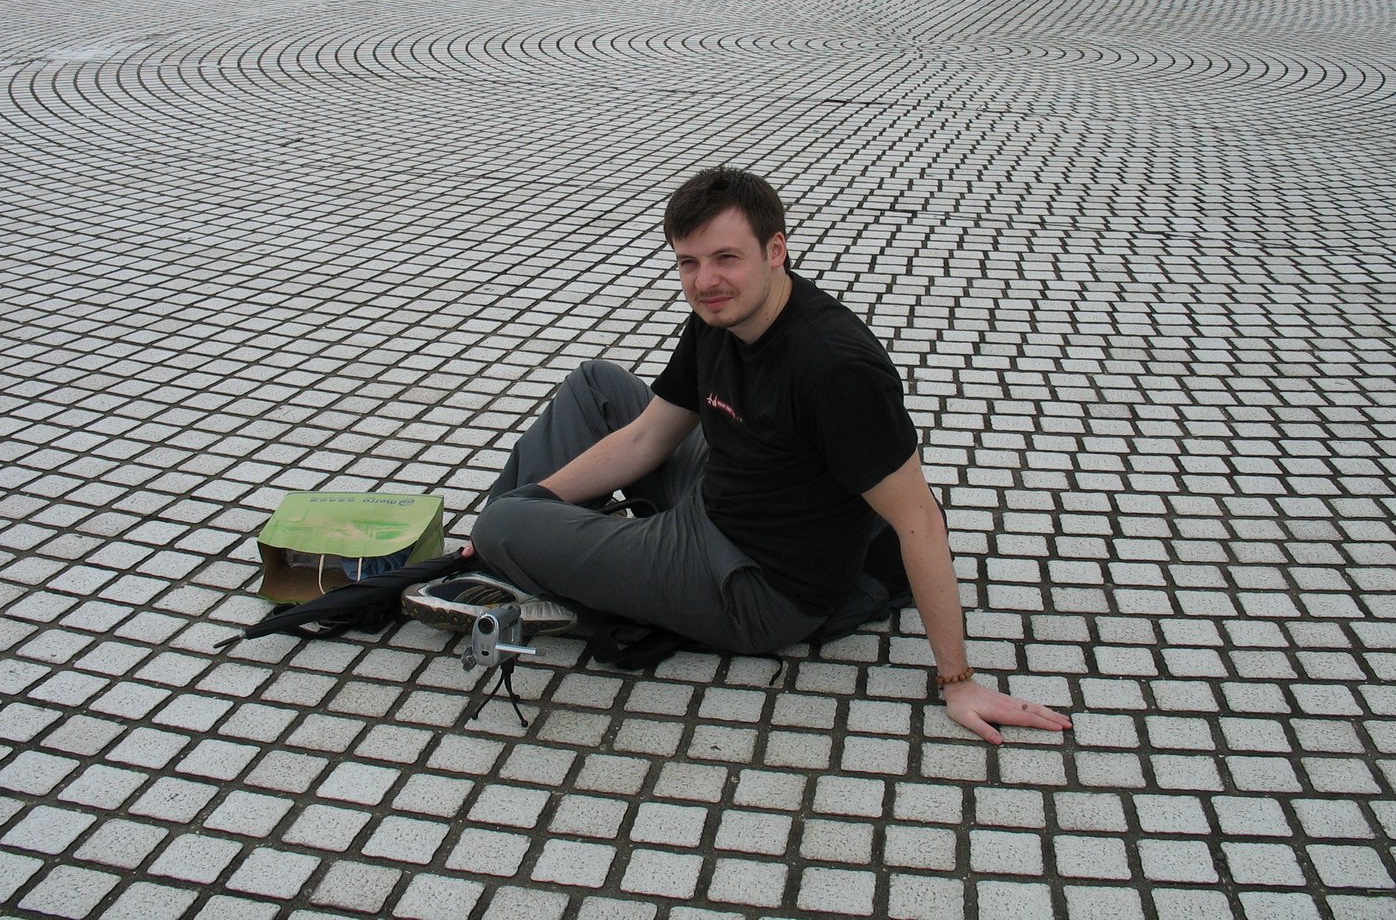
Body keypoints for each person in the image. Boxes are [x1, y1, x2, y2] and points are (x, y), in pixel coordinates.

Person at [453, 167, 1071, 745]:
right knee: (596, 386)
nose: (705, 281)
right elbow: (648, 438)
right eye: (688, 262)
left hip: (751, 584)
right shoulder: (719, 316)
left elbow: (919, 519)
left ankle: (512, 545)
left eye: (726, 258)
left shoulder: (834, 369)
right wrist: (539, 501)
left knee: (505, 520)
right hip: (722, 495)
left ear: (776, 250)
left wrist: (958, 682)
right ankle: (505, 549)